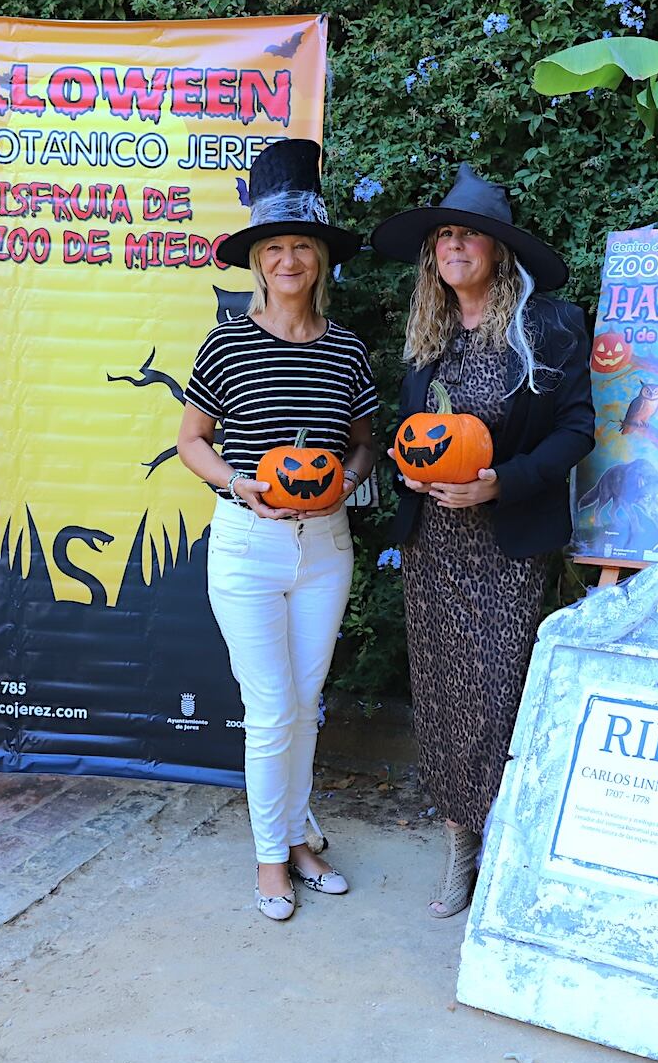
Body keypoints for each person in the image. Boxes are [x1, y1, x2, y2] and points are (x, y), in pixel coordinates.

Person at [372, 165, 594, 918]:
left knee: (498, 694)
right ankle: (459, 843)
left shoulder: (550, 325)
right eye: (444, 236)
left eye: (469, 234)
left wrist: (503, 481)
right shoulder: (427, 339)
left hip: (506, 545)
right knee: (441, 697)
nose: (454, 245)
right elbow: (412, 438)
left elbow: (576, 431)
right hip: (434, 546)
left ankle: (503, 839)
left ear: (500, 251)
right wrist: (408, 470)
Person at [177, 139, 378, 922]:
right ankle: (270, 858)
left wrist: (349, 484)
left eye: (302, 245)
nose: (289, 259)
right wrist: (239, 482)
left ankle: (296, 837)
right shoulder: (227, 342)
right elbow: (192, 442)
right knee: (269, 709)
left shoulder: (347, 347)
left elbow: (363, 440)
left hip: (324, 546)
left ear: (319, 259)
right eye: (275, 247)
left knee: (304, 699)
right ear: (256, 260)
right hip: (248, 546)